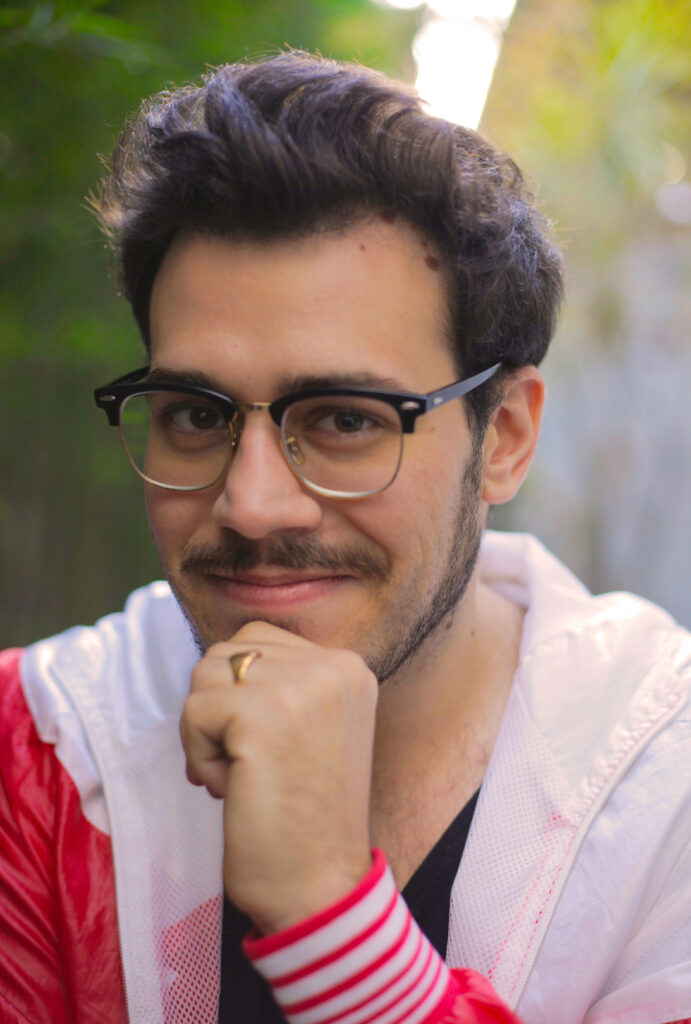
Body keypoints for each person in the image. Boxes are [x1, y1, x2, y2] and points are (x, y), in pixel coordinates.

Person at [1, 50, 689, 1024]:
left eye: (345, 420)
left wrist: (334, 928)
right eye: (195, 414)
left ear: (503, 437)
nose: (251, 506)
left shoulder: (665, 794)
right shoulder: (36, 748)